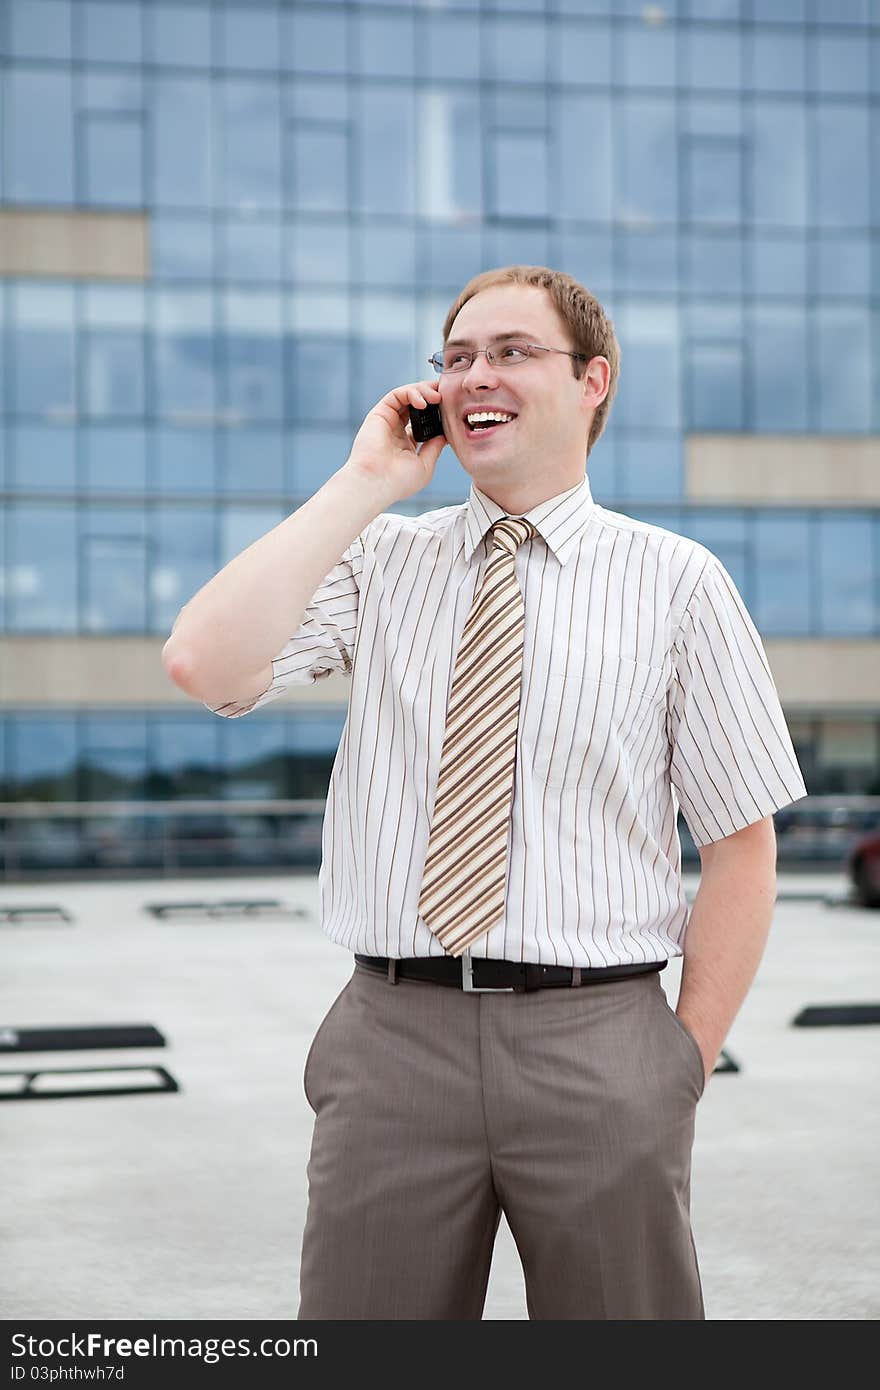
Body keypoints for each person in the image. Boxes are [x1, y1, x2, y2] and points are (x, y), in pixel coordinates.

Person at [162, 265, 808, 1320]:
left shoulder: (675, 581)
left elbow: (741, 844)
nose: (476, 376)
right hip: (389, 1044)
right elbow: (202, 661)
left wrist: (675, 1065)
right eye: (455, 357)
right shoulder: (379, 559)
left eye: (511, 351)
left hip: (599, 1041)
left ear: (592, 380)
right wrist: (364, 483)